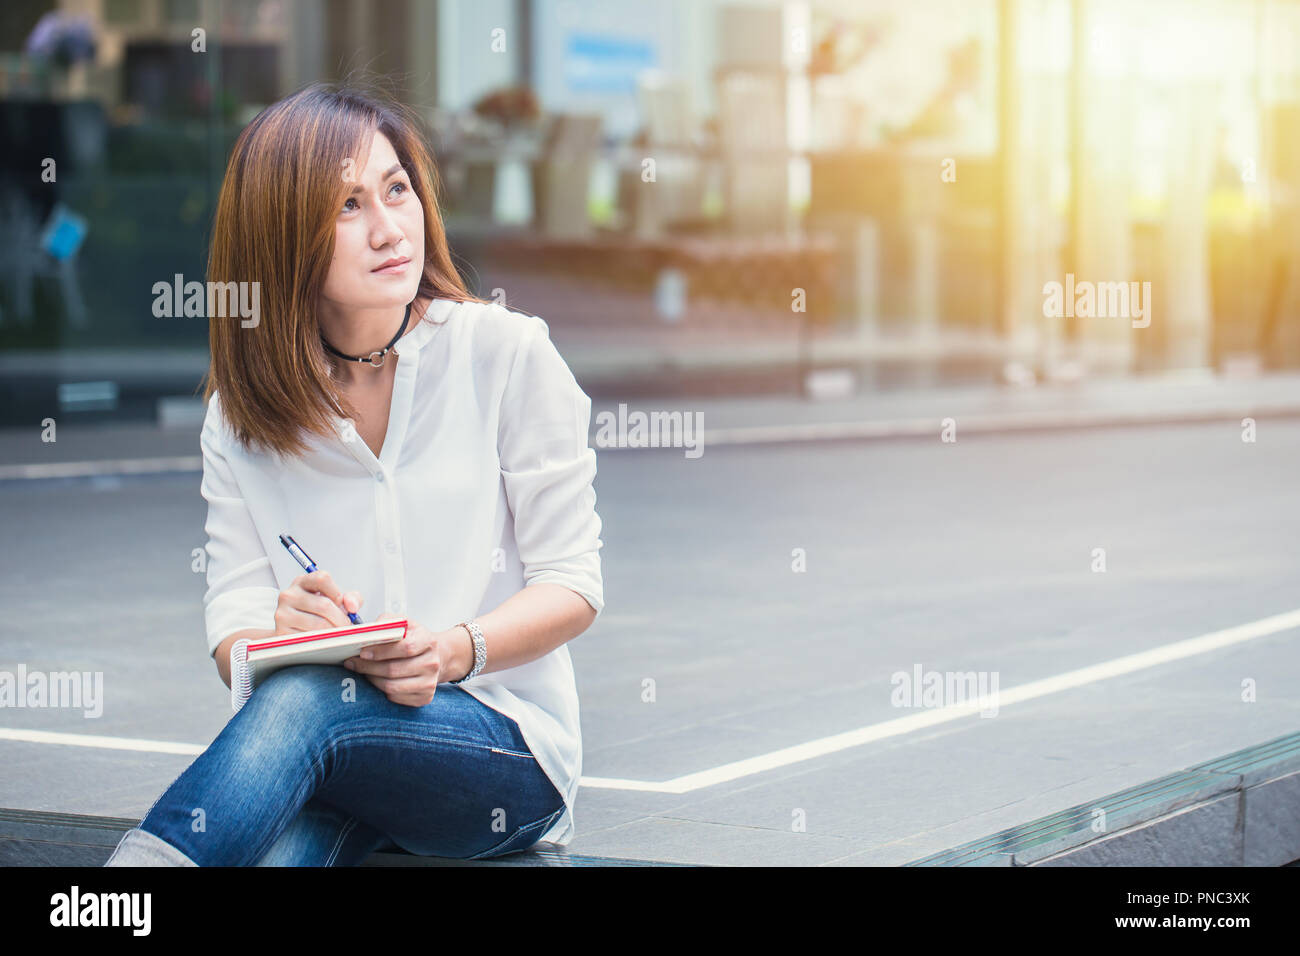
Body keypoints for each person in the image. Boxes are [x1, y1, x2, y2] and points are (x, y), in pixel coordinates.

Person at [104, 82, 605, 866]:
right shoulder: (239, 415)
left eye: (396, 189)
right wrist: (281, 630)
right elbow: (231, 623)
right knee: (284, 841)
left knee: (307, 700)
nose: (389, 229)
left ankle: (115, 899)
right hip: (336, 755)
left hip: (503, 758)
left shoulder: (506, 355)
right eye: (347, 207)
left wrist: (451, 651)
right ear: (283, 238)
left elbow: (573, 584)